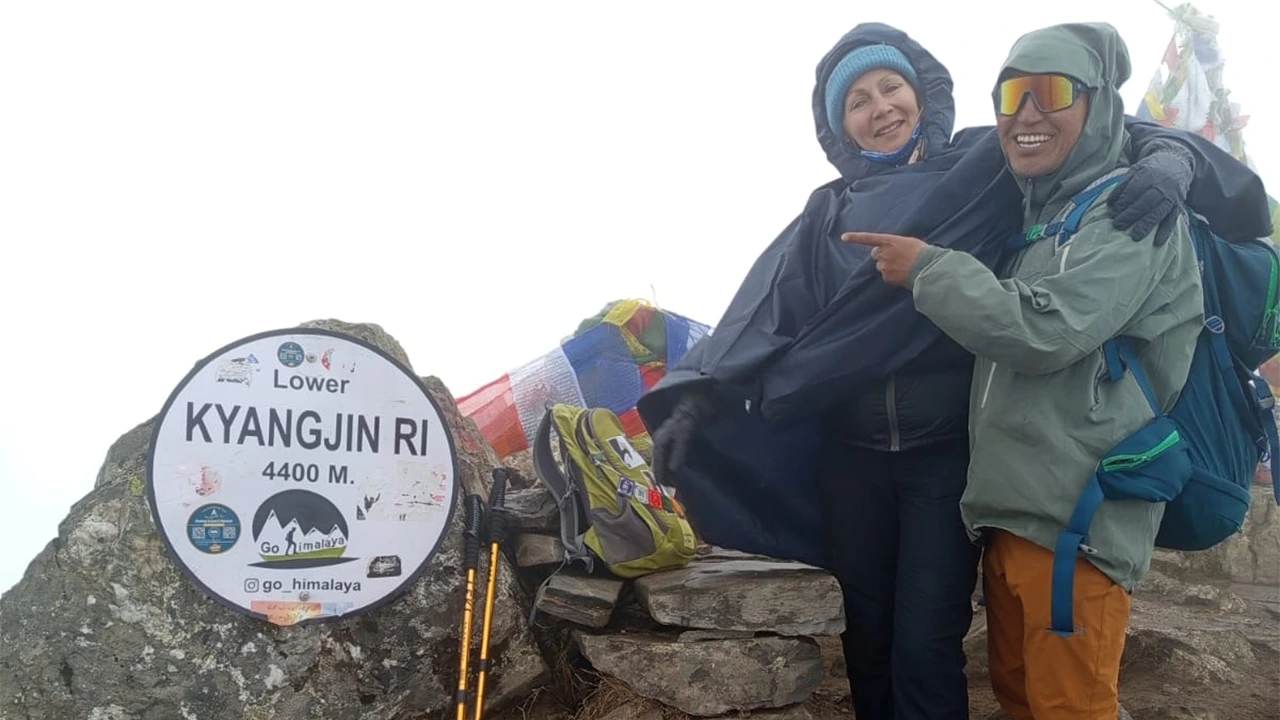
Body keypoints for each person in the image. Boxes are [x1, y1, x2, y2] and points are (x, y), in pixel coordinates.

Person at [636, 21, 1272, 720]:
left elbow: (1096, 132)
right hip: (850, 462)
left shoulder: (984, 168)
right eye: (857, 101)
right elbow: (760, 313)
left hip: (948, 460)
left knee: (928, 637)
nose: (879, 108)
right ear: (838, 127)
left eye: (891, 87)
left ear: (922, 93)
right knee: (870, 636)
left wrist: (1170, 158)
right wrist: (693, 398)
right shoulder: (826, 212)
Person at [845, 21, 1240, 719]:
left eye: (1052, 91)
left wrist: (928, 269)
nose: (1028, 114)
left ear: (1096, 105)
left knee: (1070, 708)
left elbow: (1043, 329)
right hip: (1015, 521)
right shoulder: (1034, 216)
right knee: (1025, 702)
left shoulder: (1125, 211)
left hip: (1076, 524)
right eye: (1011, 95)